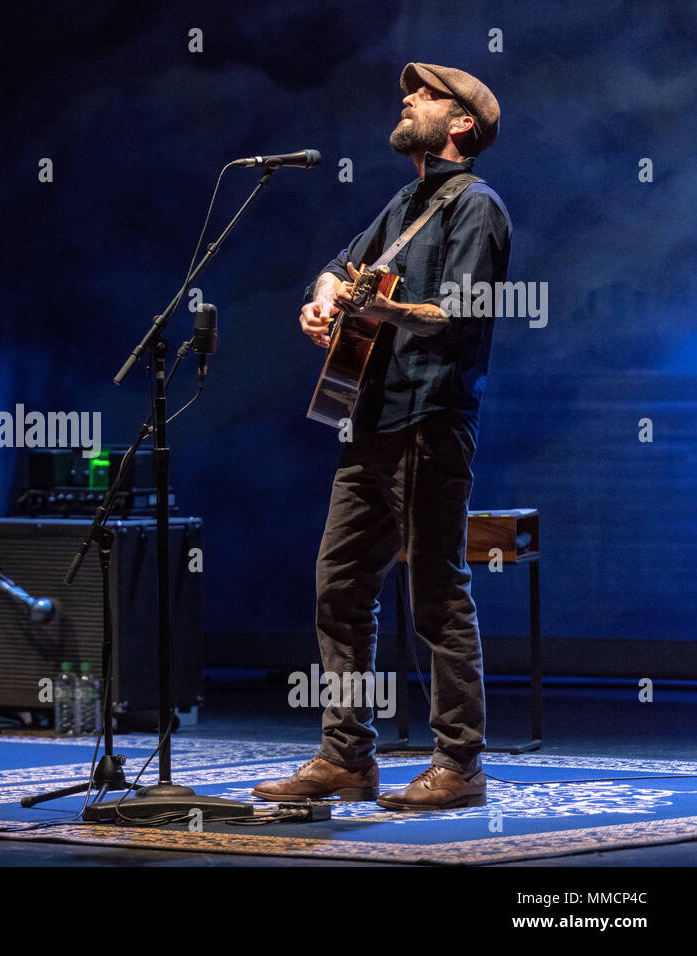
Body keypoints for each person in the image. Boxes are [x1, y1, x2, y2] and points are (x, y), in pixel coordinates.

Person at [253, 64, 511, 810]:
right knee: (339, 586)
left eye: (427, 96)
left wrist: (385, 313)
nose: (409, 101)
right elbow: (340, 268)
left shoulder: (478, 207)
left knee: (436, 592)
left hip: (432, 419)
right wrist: (326, 298)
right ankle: (347, 757)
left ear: (461, 123)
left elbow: (460, 315)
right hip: (367, 421)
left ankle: (459, 764)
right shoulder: (405, 201)